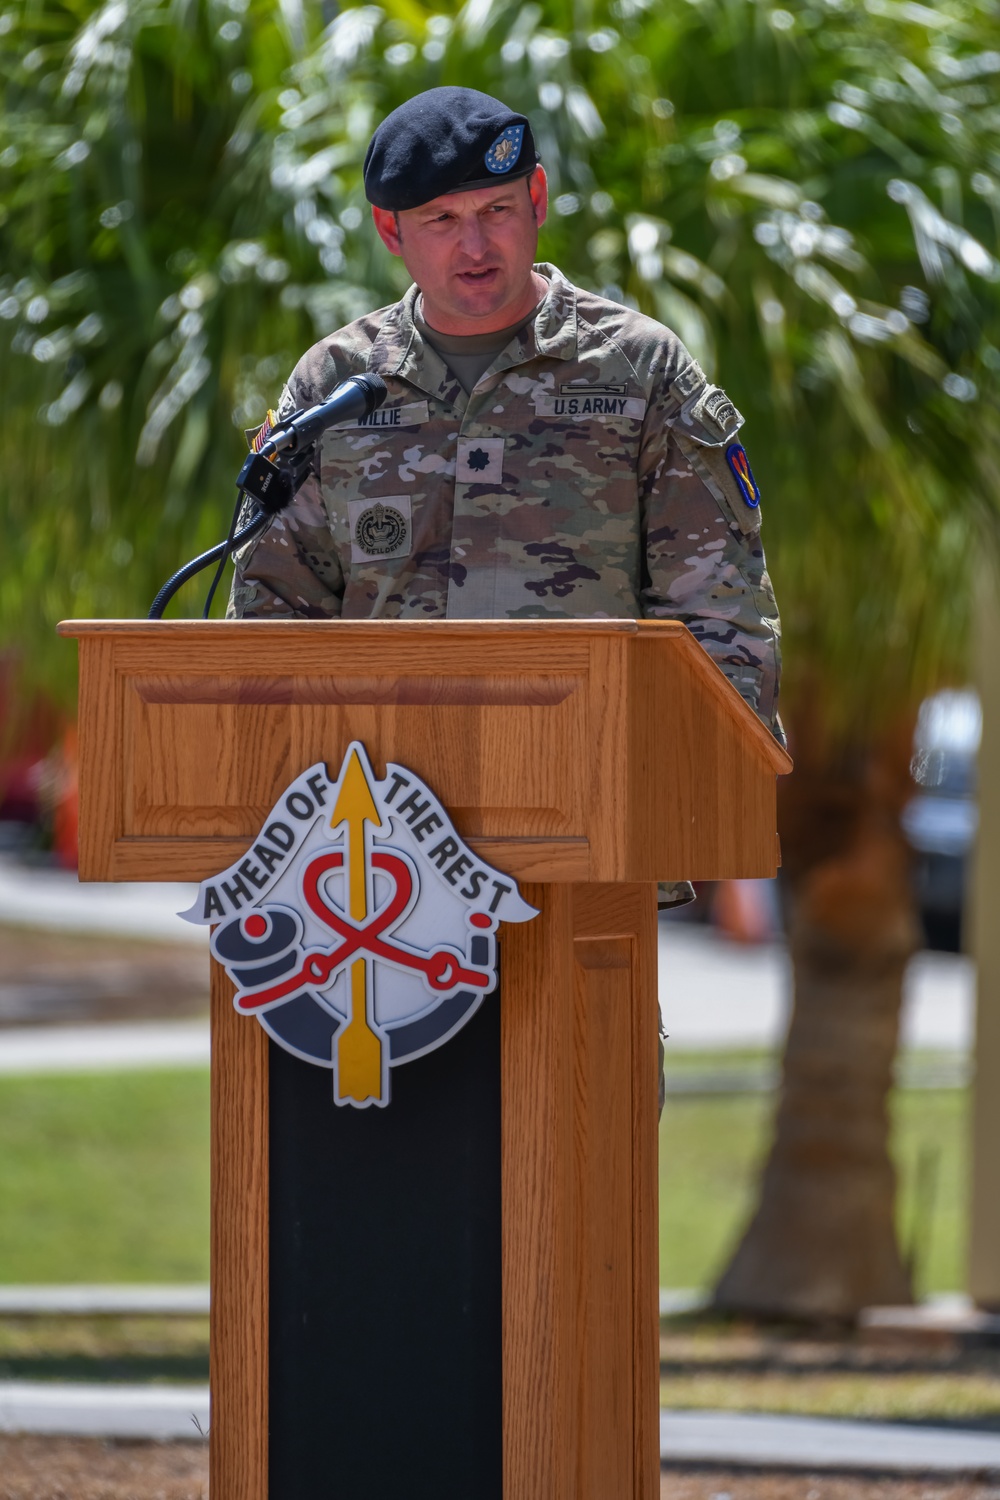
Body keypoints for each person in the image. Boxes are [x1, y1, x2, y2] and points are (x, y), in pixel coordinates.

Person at [228, 85, 784, 919]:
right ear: (392, 232)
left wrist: (675, 816)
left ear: (537, 200)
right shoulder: (336, 385)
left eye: (495, 209)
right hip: (375, 860)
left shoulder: (637, 372)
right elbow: (272, 616)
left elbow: (721, 619)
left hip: (591, 844)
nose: (477, 244)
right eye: (442, 221)